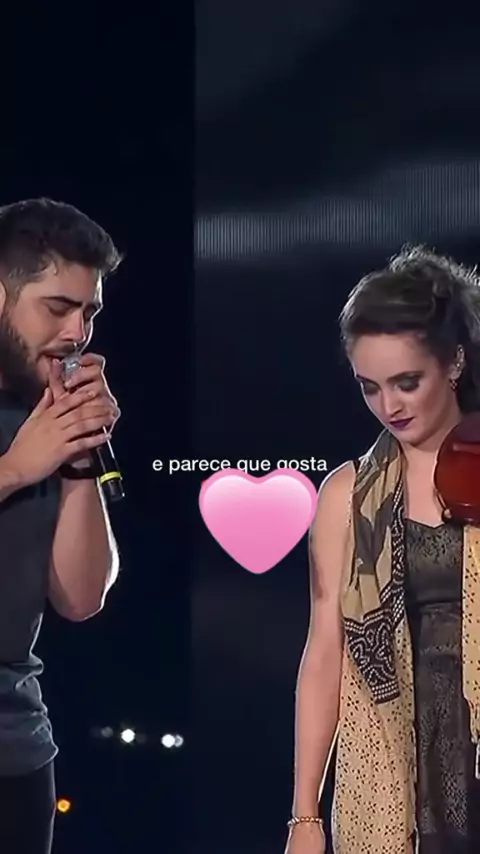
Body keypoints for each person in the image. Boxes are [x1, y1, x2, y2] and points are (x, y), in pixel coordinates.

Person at [285, 245, 480, 854]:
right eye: (369, 388)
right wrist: (305, 818)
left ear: (454, 361)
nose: (389, 406)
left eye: (406, 383)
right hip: (396, 770)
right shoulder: (347, 495)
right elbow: (325, 654)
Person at [0, 197, 123, 853]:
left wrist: (78, 458)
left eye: (90, 312)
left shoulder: (44, 420)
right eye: (57, 307)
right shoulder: (28, 446)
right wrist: (16, 469)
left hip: (18, 758)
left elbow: (80, 598)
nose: (78, 332)